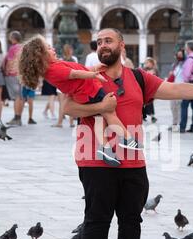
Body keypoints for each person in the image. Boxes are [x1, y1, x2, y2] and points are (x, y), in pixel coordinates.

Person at [62, 28, 193, 239]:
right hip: (95, 158)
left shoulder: (138, 77)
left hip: (133, 160)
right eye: (99, 41)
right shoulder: (90, 77)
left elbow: (173, 88)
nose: (102, 45)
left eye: (108, 40)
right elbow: (68, 108)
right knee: (97, 217)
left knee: (131, 219)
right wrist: (101, 108)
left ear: (121, 45)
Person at [19, 35, 143, 167]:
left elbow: (79, 71)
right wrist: (93, 75)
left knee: (99, 118)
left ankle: (105, 148)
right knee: (109, 112)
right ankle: (126, 138)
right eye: (48, 48)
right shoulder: (54, 69)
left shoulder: (55, 66)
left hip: (86, 93)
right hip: (89, 92)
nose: (53, 49)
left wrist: (95, 68)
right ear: (41, 57)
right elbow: (75, 74)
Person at [180, 40, 193, 133]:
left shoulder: (190, 59)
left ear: (188, 48)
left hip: (189, 84)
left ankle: (182, 126)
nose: (184, 48)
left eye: (185, 46)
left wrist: (184, 84)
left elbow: (187, 74)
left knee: (184, 106)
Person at [5, 31, 24, 126]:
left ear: (13, 38)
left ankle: (16, 118)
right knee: (20, 97)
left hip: (13, 74)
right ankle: (19, 117)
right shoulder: (22, 47)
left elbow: (10, 61)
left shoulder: (12, 48)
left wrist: (6, 71)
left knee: (16, 97)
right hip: (21, 75)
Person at [167, 49, 185, 132]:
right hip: (173, 87)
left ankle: (180, 125)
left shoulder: (185, 64)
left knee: (179, 107)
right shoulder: (175, 64)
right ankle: (174, 124)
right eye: (178, 55)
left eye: (181, 55)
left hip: (180, 88)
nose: (179, 56)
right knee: (173, 107)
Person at [142, 57, 158, 123]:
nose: (146, 64)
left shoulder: (154, 71)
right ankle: (144, 115)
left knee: (149, 103)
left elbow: (156, 80)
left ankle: (151, 116)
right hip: (144, 89)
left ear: (151, 63)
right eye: (145, 63)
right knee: (143, 103)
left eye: (147, 63)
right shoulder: (143, 70)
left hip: (151, 89)